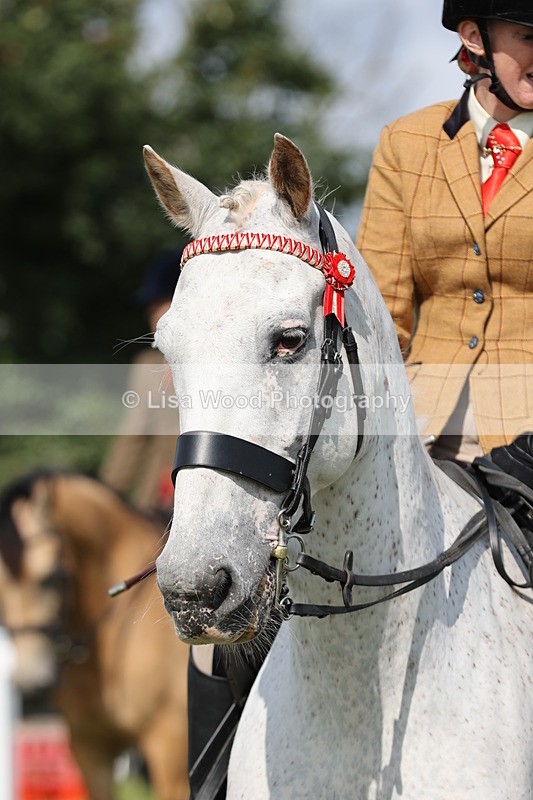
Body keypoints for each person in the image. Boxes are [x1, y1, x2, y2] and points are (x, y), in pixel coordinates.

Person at [357, 0, 533, 462]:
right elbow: (379, 315)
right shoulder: (405, 142)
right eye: (531, 39)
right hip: (421, 423)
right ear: (475, 39)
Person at [100, 247, 184, 517]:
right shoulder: (148, 366)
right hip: (155, 504)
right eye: (152, 307)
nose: (153, 316)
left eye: (163, 303)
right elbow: (133, 436)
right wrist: (105, 495)